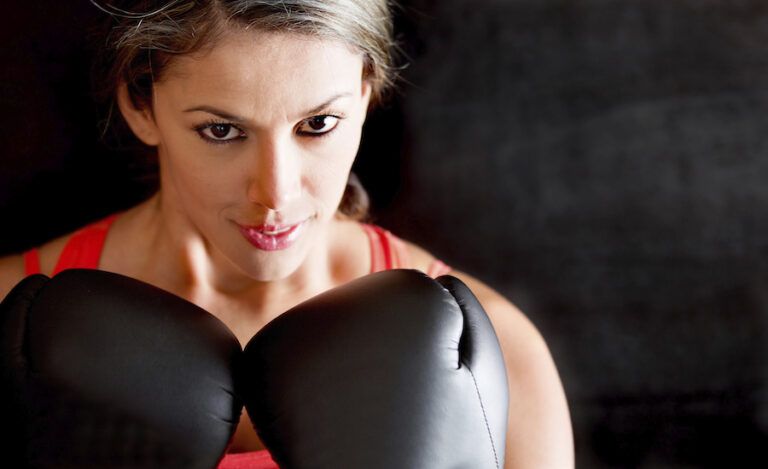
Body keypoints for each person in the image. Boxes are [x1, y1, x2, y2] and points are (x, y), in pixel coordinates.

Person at [0, 1, 574, 467]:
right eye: (222, 130)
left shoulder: (497, 356)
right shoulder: (9, 321)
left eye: (317, 124)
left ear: (368, 95)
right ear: (140, 104)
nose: (274, 194)